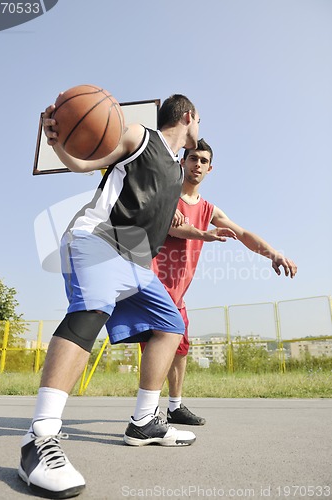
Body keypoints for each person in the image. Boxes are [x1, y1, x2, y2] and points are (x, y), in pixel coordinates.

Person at [18, 94, 201, 499]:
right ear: (189, 117)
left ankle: (144, 422)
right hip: (101, 241)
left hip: (137, 263)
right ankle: (39, 437)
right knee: (90, 312)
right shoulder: (139, 136)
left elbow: (159, 212)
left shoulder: (175, 168)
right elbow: (85, 163)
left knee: (171, 325)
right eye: (199, 122)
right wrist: (58, 143)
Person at [142, 138, 297, 426]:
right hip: (152, 283)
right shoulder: (165, 195)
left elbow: (242, 234)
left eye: (203, 161)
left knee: (181, 348)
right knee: (159, 343)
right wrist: (202, 234)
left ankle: (174, 407)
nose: (197, 164)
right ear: (182, 162)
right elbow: (170, 228)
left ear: (210, 168)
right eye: (192, 159)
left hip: (179, 291)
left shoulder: (209, 210)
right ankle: (146, 412)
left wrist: (273, 253)